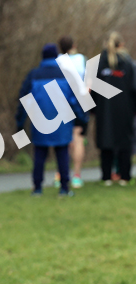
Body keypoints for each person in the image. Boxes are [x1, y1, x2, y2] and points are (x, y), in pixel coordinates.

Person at [16, 43, 88, 196]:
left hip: (40, 121)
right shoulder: (66, 75)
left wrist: (20, 123)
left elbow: (23, 100)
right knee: (62, 154)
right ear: (56, 56)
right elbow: (74, 100)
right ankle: (64, 188)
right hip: (63, 121)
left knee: (40, 155)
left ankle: (37, 188)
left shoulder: (33, 75)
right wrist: (82, 119)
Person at [91, 32, 136, 186]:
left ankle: (106, 177)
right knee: (125, 143)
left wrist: (94, 110)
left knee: (106, 141)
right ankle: (124, 177)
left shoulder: (98, 64)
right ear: (121, 45)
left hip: (105, 110)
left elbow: (92, 91)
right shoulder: (129, 64)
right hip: (125, 110)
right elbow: (134, 89)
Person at [56, 36, 88, 188]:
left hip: (62, 102)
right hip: (80, 102)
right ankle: (76, 176)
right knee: (78, 137)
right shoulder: (82, 59)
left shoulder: (57, 61)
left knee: (62, 139)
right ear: (74, 45)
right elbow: (89, 83)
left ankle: (60, 174)